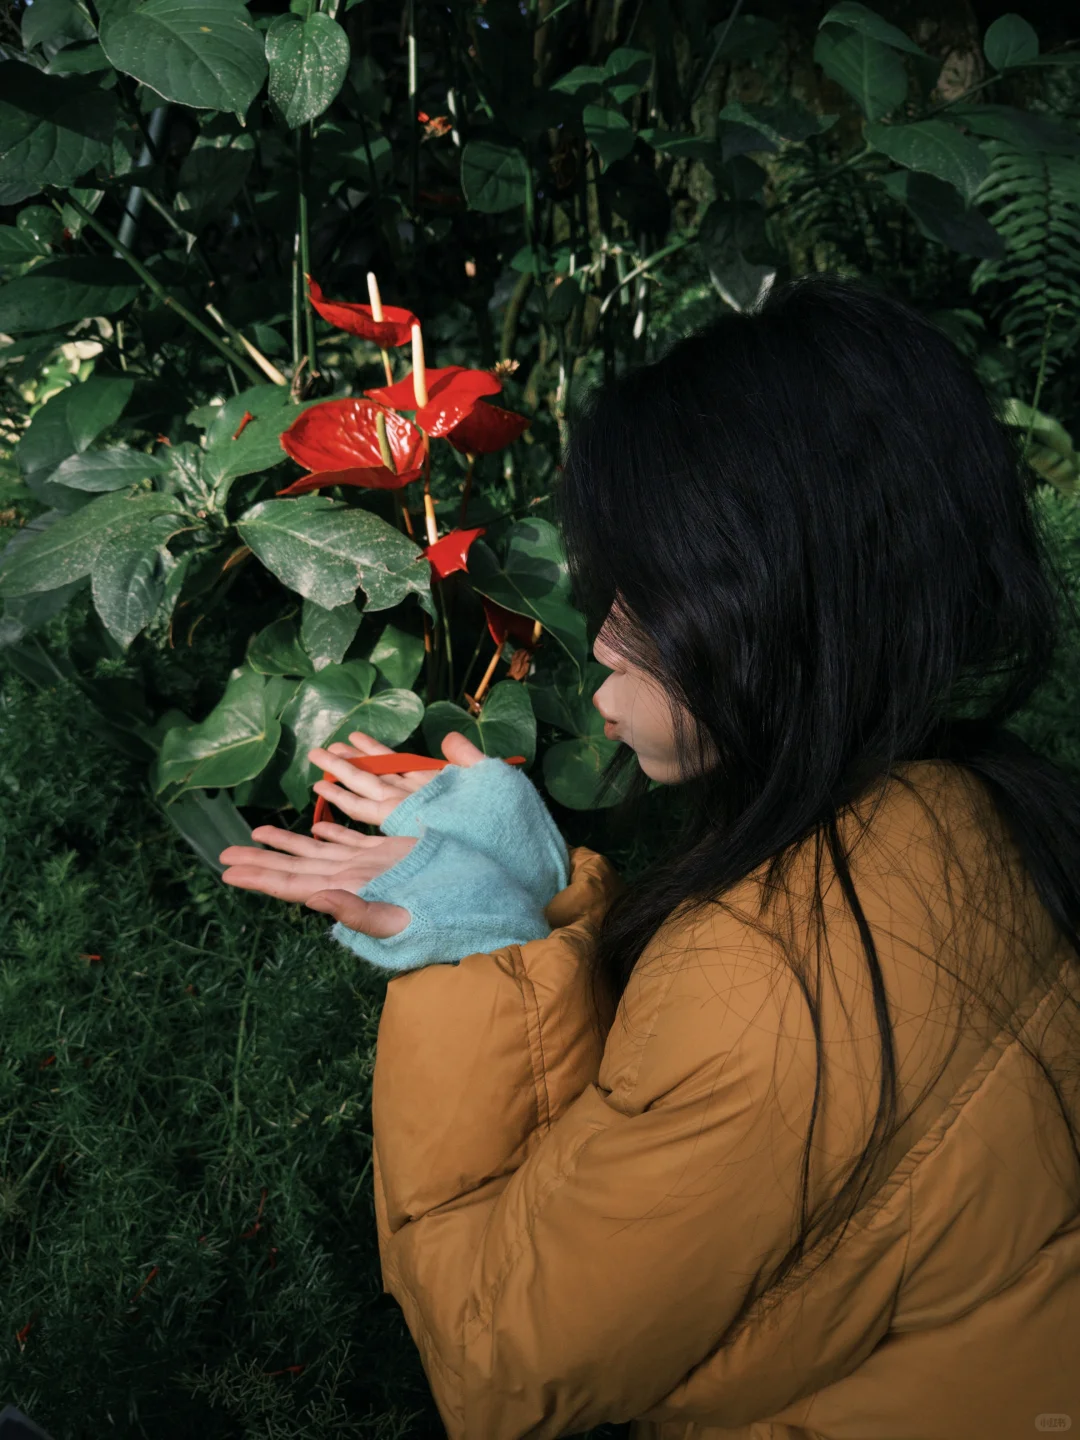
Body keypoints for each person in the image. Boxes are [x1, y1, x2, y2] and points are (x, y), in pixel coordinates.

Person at [219, 274, 1080, 1440]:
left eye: (647, 590)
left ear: (776, 602)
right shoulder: (982, 811)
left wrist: (477, 952)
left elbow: (498, 1374)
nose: (598, 636)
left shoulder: (766, 984)